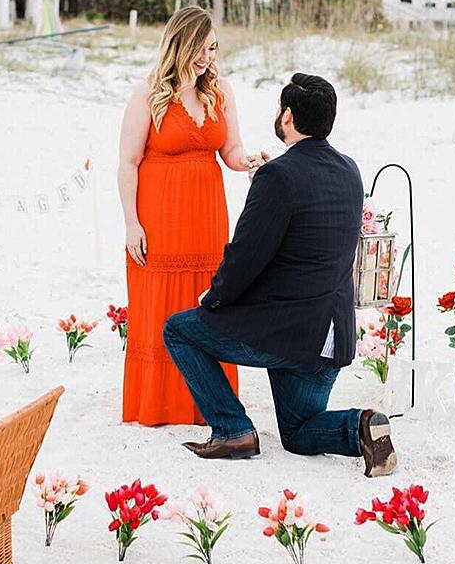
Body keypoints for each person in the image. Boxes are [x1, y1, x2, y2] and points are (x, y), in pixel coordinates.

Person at [163, 72, 397, 477]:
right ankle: (360, 425)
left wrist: (213, 299)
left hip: (287, 332)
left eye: (278, 108)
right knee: (299, 432)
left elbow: (244, 257)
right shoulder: (349, 170)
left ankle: (233, 430)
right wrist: (268, 185)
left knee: (179, 329)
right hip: (332, 338)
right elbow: (307, 227)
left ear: (287, 116)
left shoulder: (279, 177)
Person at [118, 7, 261, 425]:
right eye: (200, 49)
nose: (206, 58)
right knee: (160, 306)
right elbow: (127, 162)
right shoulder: (147, 93)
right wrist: (131, 222)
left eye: (212, 49)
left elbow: (230, 151)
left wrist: (248, 161)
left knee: (208, 301)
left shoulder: (221, 92)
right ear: (179, 44)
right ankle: (160, 404)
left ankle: (207, 403)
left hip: (207, 219)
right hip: (161, 220)